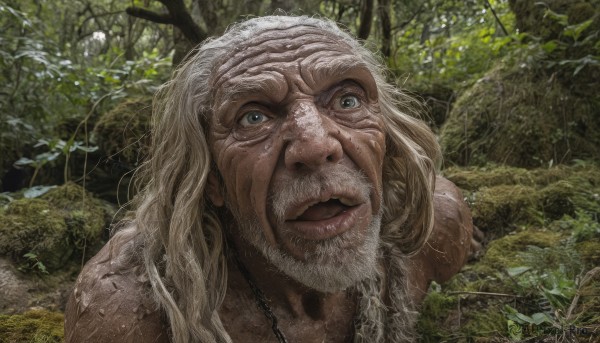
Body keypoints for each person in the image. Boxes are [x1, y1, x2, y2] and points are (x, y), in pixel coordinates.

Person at [64, 15, 473, 343]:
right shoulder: (134, 315)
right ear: (210, 179)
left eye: (347, 100)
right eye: (253, 117)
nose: (315, 145)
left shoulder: (434, 234)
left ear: (387, 140)